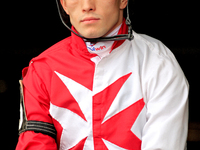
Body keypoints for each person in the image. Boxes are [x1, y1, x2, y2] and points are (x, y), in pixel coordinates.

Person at [16, 0, 189, 149]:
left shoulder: (159, 63)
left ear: (122, 0)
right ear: (64, 5)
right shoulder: (42, 69)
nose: (87, 6)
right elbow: (35, 144)